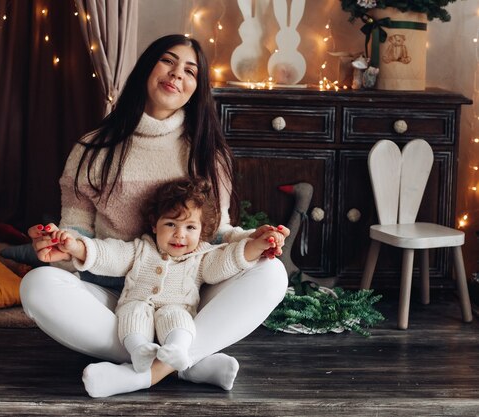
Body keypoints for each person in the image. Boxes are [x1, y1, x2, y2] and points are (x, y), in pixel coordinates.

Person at [20, 33, 289, 398]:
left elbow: (220, 233)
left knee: (272, 272)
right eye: (168, 61)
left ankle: (145, 372)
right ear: (147, 67)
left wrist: (254, 240)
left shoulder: (208, 151)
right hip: (117, 297)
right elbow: (77, 231)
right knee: (36, 285)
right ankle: (187, 362)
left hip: (190, 291)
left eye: (190, 70)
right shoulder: (93, 149)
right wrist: (62, 247)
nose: (177, 74)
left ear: (197, 87)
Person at [46, 178, 287, 377]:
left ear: (202, 232)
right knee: (131, 316)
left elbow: (226, 261)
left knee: (179, 320)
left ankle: (177, 353)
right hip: (137, 305)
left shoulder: (201, 257)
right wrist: (76, 247)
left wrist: (257, 246)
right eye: (171, 224)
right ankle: (143, 352)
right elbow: (108, 254)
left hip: (176, 308)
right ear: (154, 224)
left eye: (190, 228)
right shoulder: (140, 249)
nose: (179, 235)